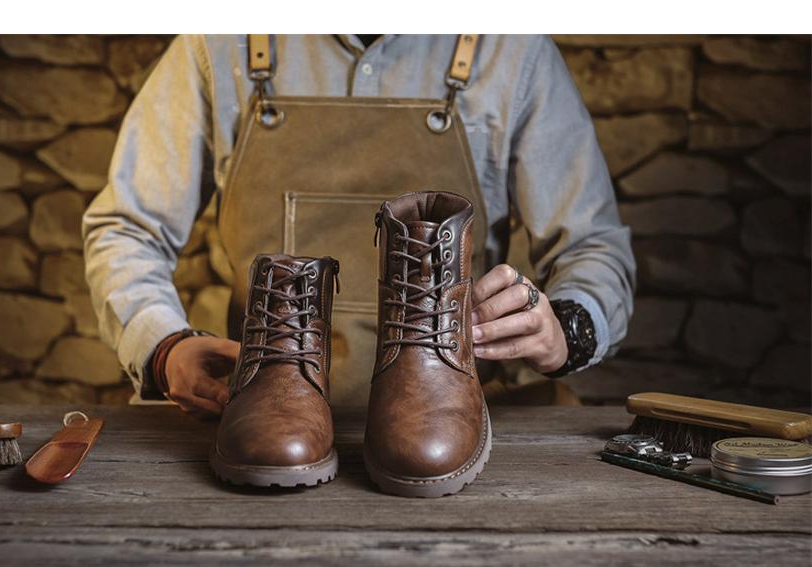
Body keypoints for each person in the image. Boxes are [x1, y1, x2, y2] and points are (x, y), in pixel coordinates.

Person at [83, 34, 636, 414]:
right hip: (256, 410)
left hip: (461, 411)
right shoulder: (219, 40)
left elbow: (592, 246)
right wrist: (164, 346)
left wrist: (567, 330)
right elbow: (127, 228)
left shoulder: (511, 50)